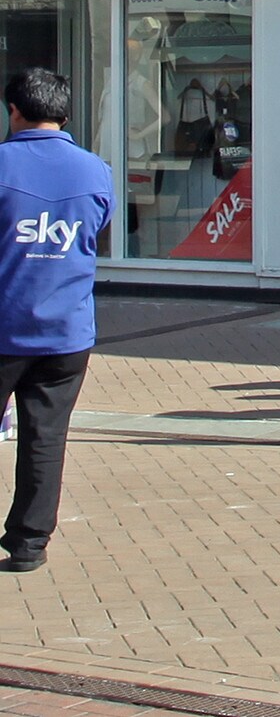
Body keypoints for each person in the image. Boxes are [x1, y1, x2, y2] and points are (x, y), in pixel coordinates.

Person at [0, 67, 114, 573]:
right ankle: (28, 545)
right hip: (66, 331)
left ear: (14, 111)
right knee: (45, 438)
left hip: (5, 325)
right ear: (64, 114)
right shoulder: (95, 170)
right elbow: (98, 230)